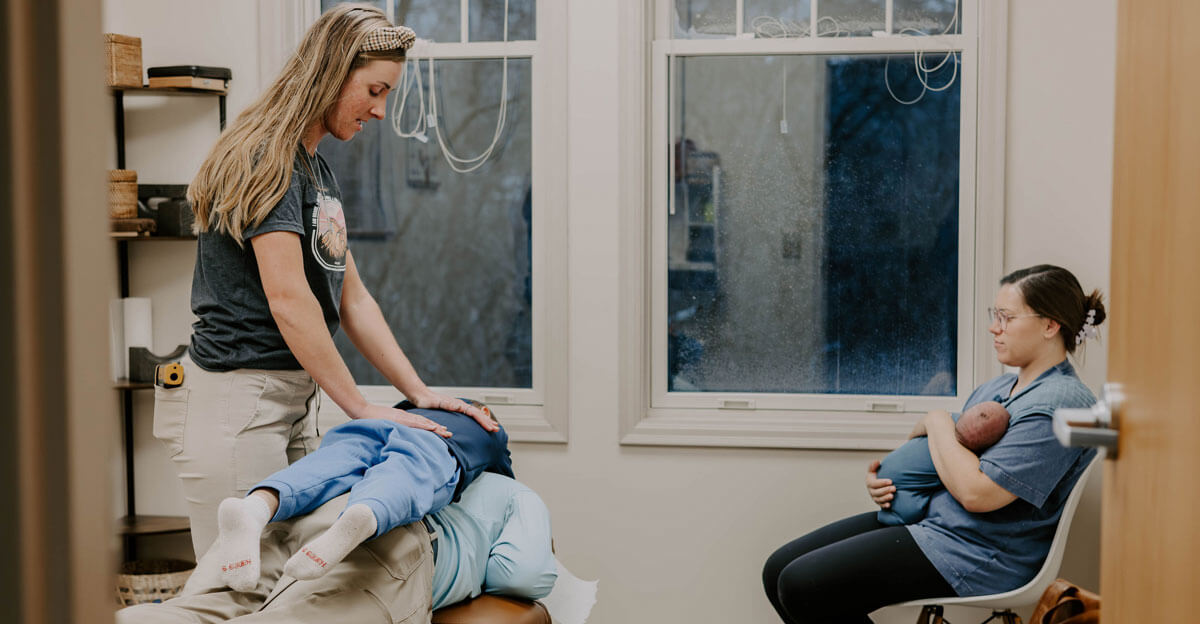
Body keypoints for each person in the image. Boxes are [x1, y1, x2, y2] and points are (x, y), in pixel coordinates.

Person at [154, 3, 497, 557]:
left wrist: (419, 393)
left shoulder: (315, 168)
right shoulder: (266, 157)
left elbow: (353, 298)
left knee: (289, 593)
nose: (381, 111)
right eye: (375, 90)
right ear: (332, 73)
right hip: (238, 401)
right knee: (238, 595)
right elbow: (289, 301)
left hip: (290, 397)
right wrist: (359, 407)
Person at [762, 264, 1105, 624]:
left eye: (1006, 317)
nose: (994, 327)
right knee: (777, 571)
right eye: (994, 315)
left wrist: (937, 419)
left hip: (979, 553)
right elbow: (945, 461)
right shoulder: (999, 389)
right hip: (936, 525)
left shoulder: (1059, 404)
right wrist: (892, 483)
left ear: (1050, 325)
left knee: (804, 584)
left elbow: (977, 493)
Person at [115, 473, 557, 624]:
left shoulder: (391, 449)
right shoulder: (514, 491)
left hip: (303, 513)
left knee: (199, 609)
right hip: (392, 538)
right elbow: (522, 575)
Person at [212, 401, 512, 591]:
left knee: (324, 468)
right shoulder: (489, 429)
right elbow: (506, 485)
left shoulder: (418, 404)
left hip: (374, 425)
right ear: (484, 411)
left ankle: (255, 507)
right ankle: (367, 513)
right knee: (404, 474)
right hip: (433, 442)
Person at [875, 401, 1011, 526]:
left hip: (889, 467)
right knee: (911, 513)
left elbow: (917, 432)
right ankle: (888, 517)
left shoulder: (950, 421)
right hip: (893, 488)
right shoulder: (965, 457)